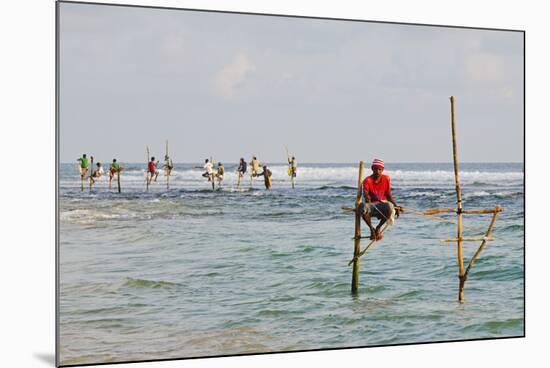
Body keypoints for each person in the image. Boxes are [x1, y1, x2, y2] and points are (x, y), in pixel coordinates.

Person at [360, 158, 401, 241]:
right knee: (363, 207)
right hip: (371, 204)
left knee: (390, 206)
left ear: (382, 170)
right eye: (376, 169)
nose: (378, 171)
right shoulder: (367, 180)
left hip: (381, 204)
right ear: (372, 169)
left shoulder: (386, 179)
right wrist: (367, 196)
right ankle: (372, 230)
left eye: (380, 169)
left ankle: (378, 228)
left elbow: (388, 195)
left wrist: (396, 206)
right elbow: (365, 193)